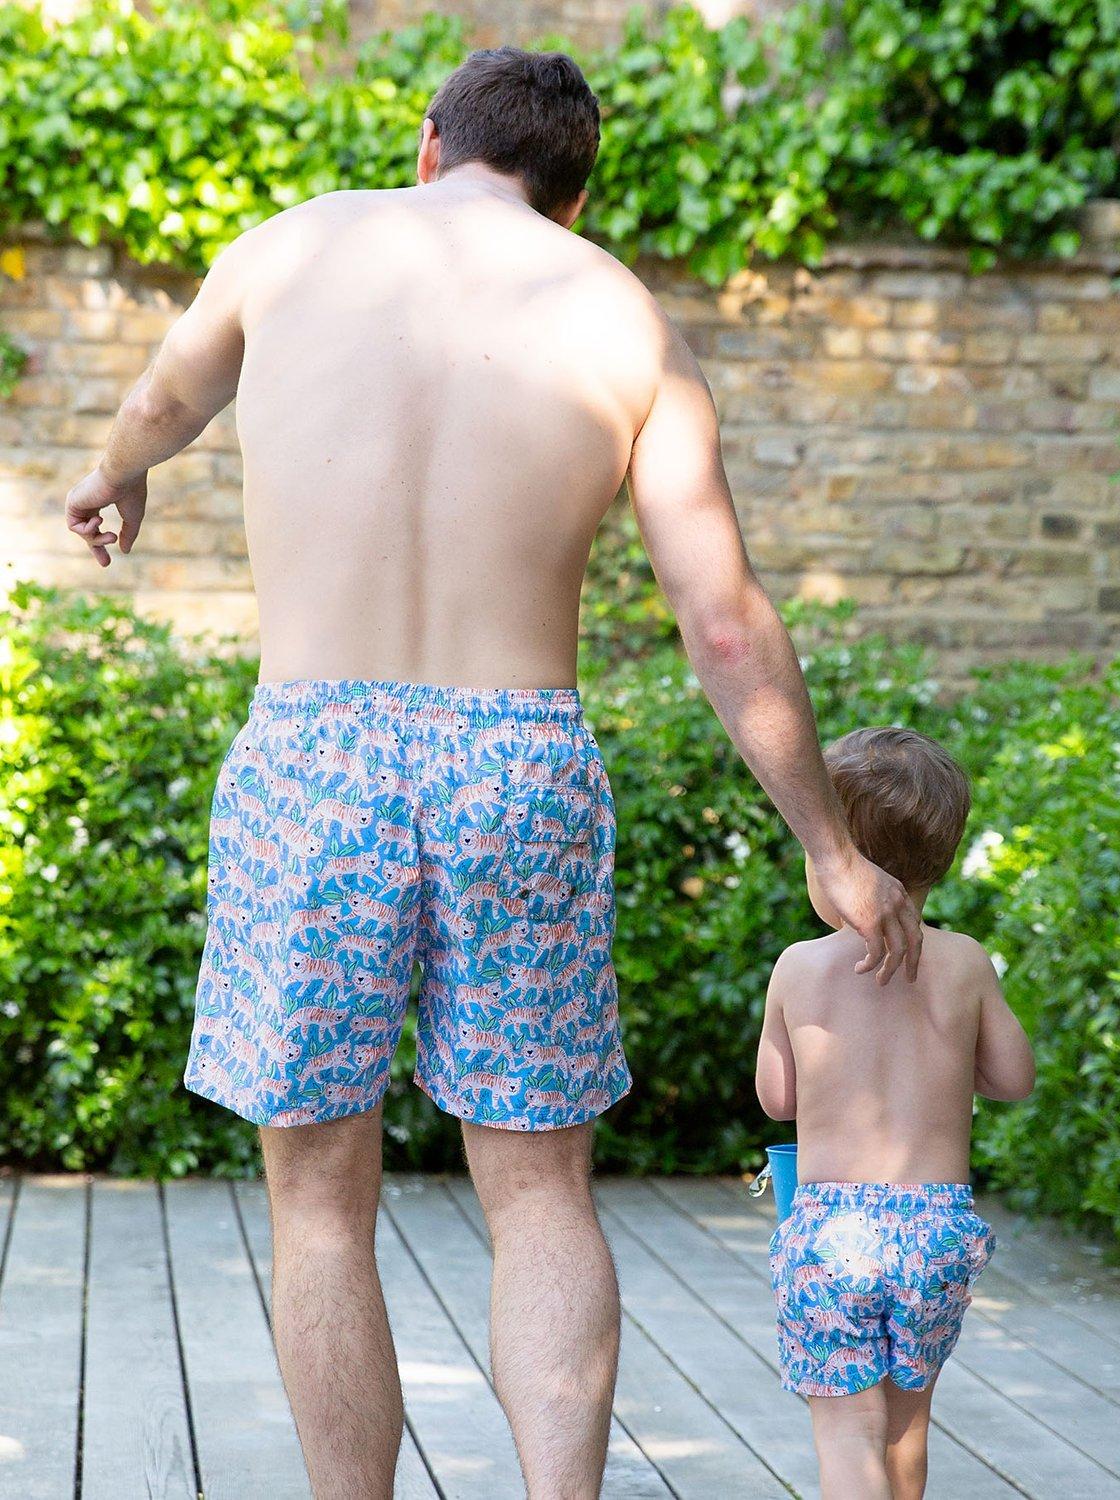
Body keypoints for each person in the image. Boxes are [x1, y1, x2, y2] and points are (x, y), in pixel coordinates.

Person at [65, 44, 923, 1500]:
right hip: (516, 758)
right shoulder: (621, 317)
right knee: (536, 1191)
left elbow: (162, 401)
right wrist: (830, 848)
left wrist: (113, 471)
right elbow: (722, 621)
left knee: (317, 1201)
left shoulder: (284, 251)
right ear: (572, 196)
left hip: (315, 758)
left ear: (428, 143)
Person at [756, 726, 1035, 1500]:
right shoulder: (965, 962)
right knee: (905, 1430)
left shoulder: (798, 967)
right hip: (935, 1232)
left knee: (846, 1434)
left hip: (831, 1234)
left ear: (838, 862)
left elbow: (777, 1100)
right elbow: (1012, 1079)